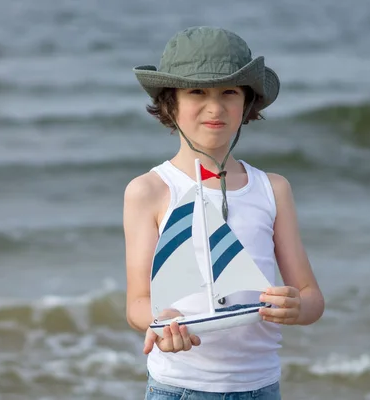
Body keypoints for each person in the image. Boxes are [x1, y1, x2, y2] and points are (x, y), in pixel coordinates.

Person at [124, 26, 324, 400]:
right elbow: (137, 302)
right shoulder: (149, 191)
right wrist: (159, 321)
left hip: (260, 387)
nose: (214, 107)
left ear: (247, 104)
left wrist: (296, 307)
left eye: (228, 92)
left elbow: (312, 297)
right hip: (180, 387)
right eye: (197, 91)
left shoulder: (272, 188)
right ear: (170, 103)